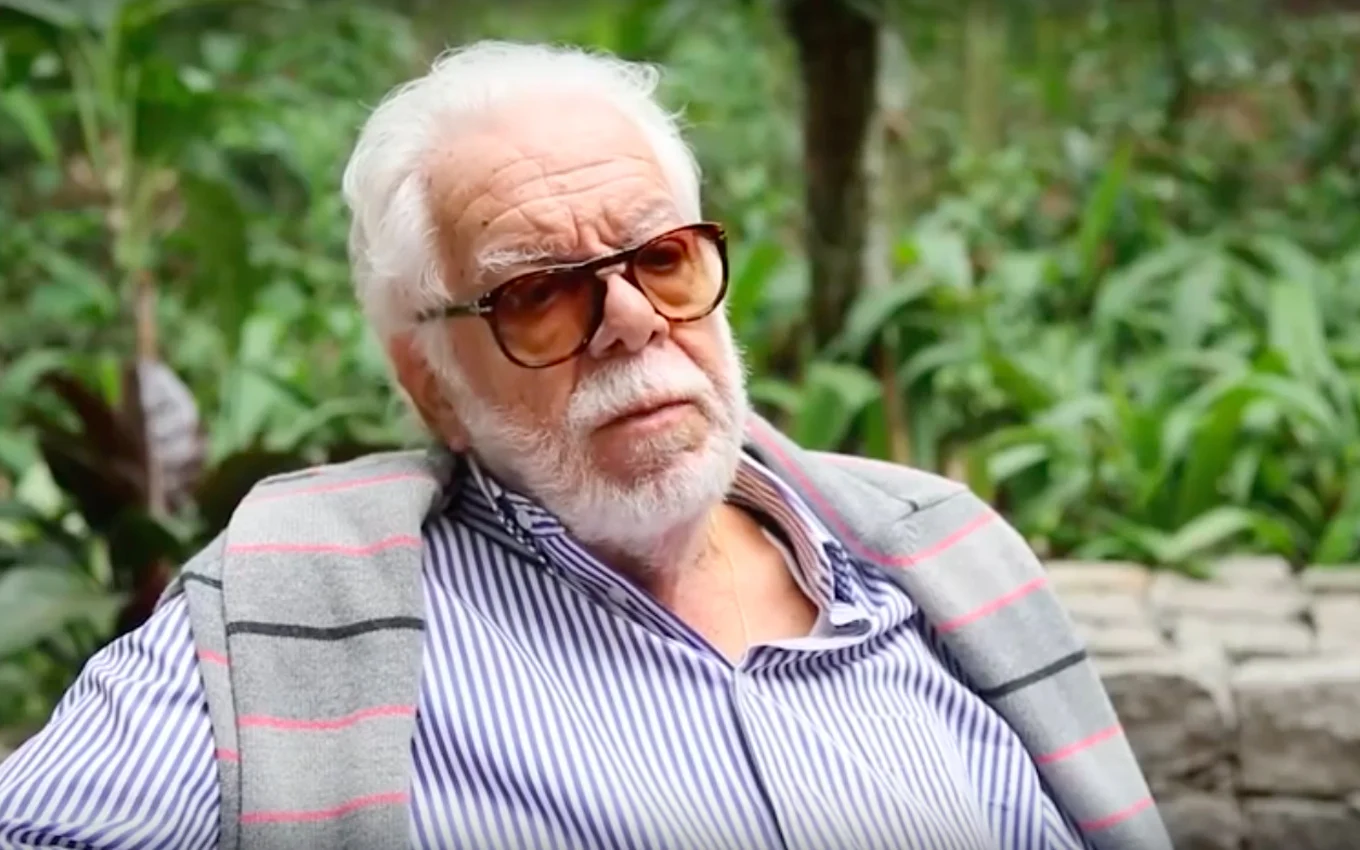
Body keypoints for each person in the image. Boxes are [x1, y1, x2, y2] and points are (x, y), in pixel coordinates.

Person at [0, 41, 1169, 850]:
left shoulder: (941, 560)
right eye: (539, 294)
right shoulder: (302, 617)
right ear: (431, 382)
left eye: (660, 258)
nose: (631, 321)